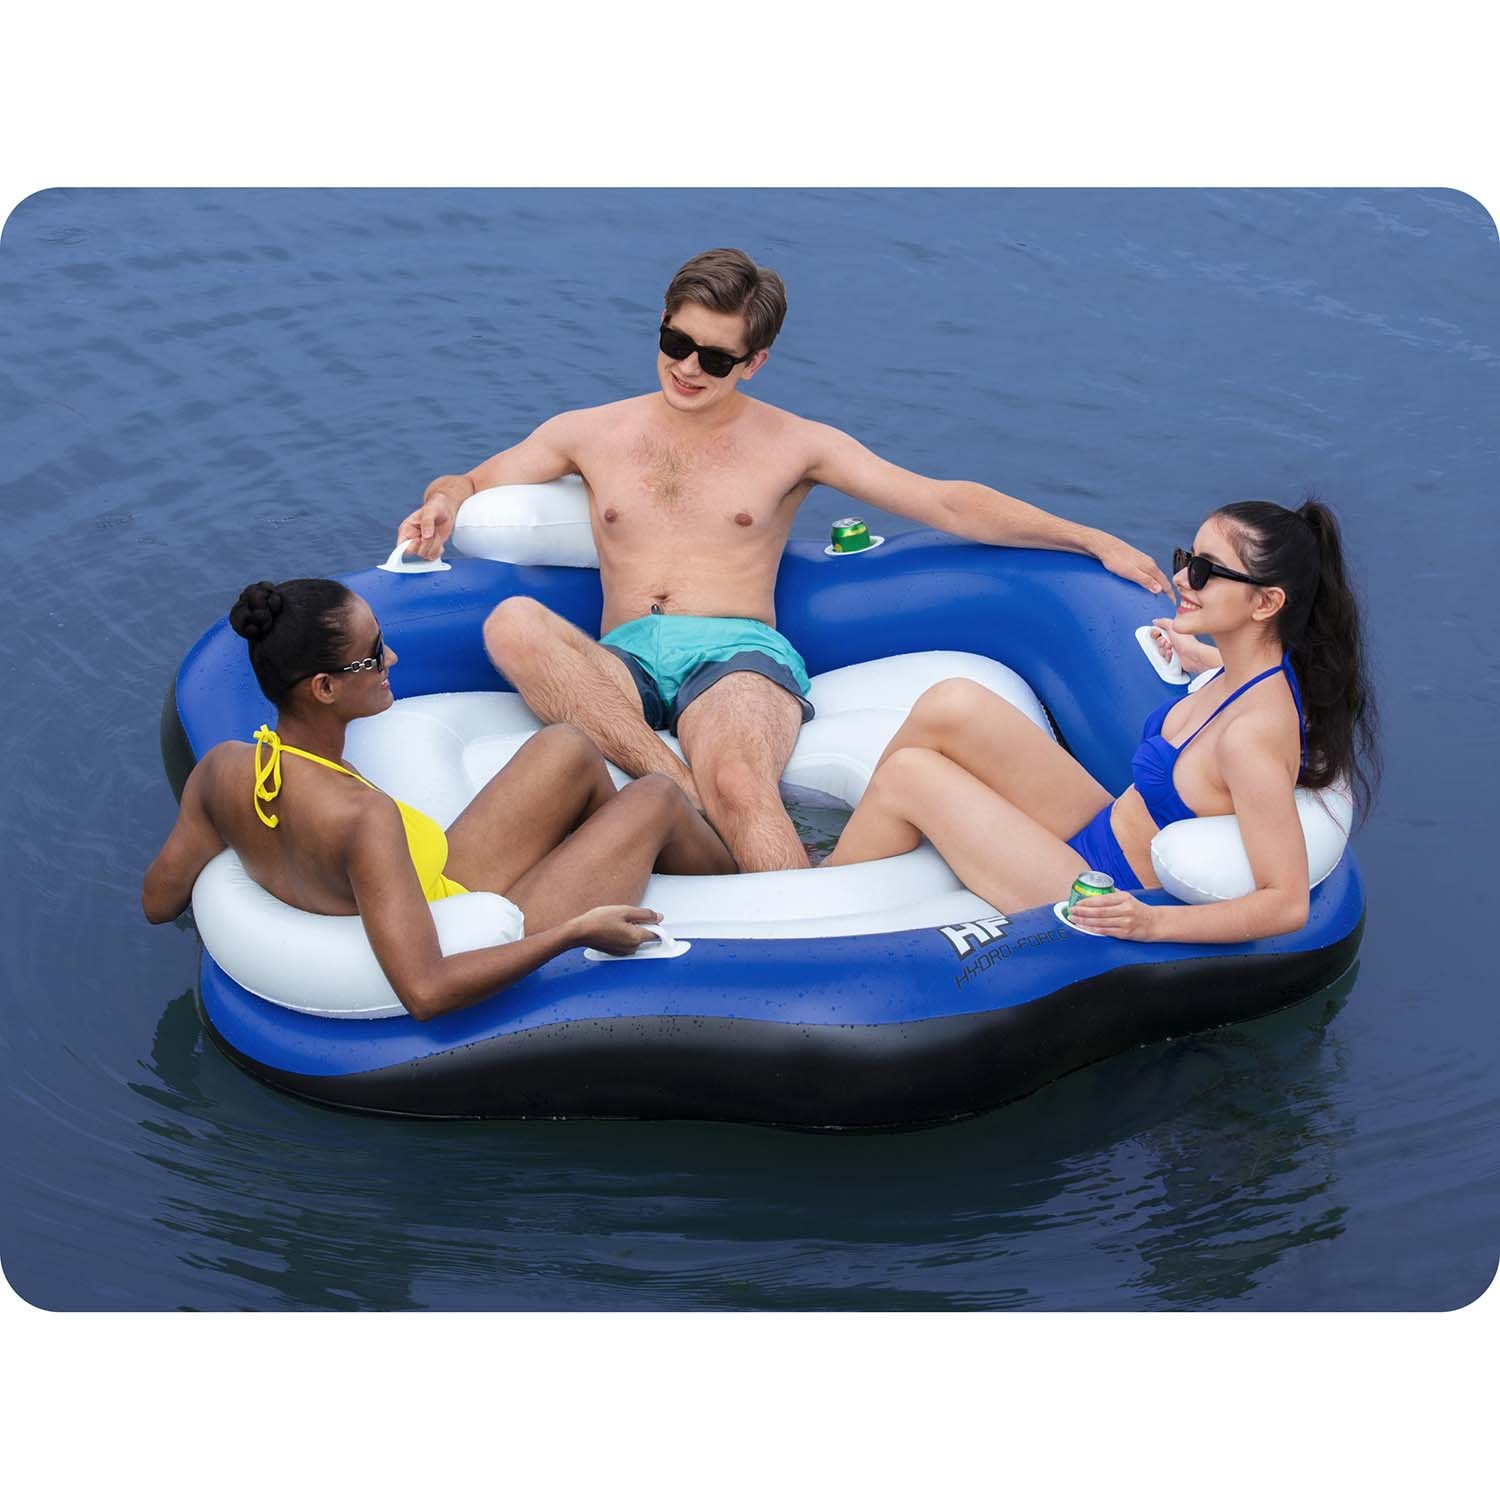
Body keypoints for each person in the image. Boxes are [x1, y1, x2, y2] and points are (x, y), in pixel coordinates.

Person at [394, 247, 1175, 875]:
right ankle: (674, 787)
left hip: (735, 656)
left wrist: (1089, 538)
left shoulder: (796, 444)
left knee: (740, 783)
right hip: (621, 660)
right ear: (662, 324)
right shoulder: (588, 431)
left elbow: (943, 502)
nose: (688, 369)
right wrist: (441, 503)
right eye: (676, 344)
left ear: (755, 361)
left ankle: (790, 912)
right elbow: (471, 479)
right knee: (513, 623)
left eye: (715, 358)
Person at [143, 579, 735, 1020]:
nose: (391, 660)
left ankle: (620, 861)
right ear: (323, 688)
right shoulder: (360, 818)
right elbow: (425, 993)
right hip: (474, 931)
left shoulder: (222, 771)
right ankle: (743, 892)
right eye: (374, 654)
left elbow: (158, 901)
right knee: (656, 797)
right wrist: (576, 932)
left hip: (434, 886)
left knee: (569, 747)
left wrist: (257, 855)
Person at [821, 499, 1379, 942]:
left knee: (911, 776)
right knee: (953, 703)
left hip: (1101, 892)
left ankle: (820, 894)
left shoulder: (1252, 738)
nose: (1183, 579)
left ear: (1266, 604)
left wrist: (1151, 922)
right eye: (1186, 558)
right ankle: (862, 853)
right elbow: (1251, 679)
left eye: (1206, 571)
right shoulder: (1245, 674)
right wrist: (1205, 655)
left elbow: (1286, 904)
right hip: (1103, 827)